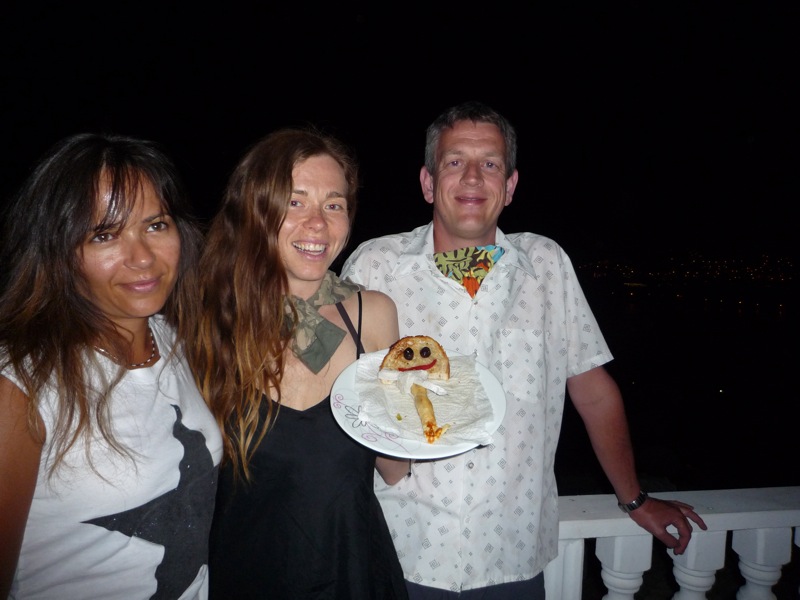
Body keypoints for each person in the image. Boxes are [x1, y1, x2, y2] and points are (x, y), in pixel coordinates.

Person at [341, 101, 708, 599]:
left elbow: (593, 390)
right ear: (428, 182)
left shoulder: (546, 265)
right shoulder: (376, 265)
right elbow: (340, 393)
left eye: (490, 163)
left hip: (510, 551)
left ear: (510, 186)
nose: (473, 176)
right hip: (397, 546)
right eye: (455, 161)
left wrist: (635, 498)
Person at [0, 133, 223, 599]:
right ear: (58, 252)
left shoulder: (175, 341)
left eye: (156, 225)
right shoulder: (20, 385)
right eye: (104, 235)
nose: (142, 258)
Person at [190, 127, 409, 599]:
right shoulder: (207, 322)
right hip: (241, 576)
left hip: (354, 573)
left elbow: (395, 468)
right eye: (295, 202)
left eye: (334, 204)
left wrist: (416, 410)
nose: (318, 223)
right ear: (255, 209)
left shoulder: (372, 316)